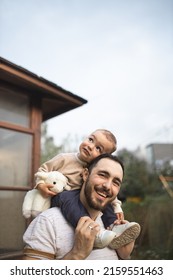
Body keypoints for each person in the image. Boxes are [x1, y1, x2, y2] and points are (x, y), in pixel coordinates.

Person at [23, 153, 141, 260]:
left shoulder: (110, 226)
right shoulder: (48, 222)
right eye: (103, 175)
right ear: (85, 174)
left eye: (116, 182)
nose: (108, 186)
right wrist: (76, 255)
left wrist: (123, 256)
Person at [32, 129, 126, 248]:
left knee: (105, 200)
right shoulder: (64, 159)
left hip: (80, 197)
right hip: (62, 196)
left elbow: (111, 193)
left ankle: (115, 227)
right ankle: (93, 232)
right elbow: (43, 170)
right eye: (91, 139)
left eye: (98, 148)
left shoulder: (94, 169)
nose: (91, 146)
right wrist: (41, 185)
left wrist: (117, 207)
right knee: (68, 198)